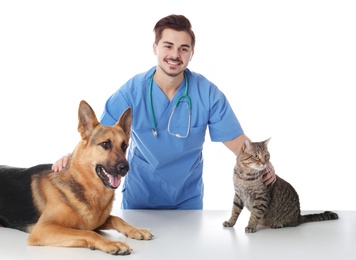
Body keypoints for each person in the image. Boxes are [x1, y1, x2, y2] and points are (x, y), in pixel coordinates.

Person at [52, 14, 276, 209]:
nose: (175, 54)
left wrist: (263, 164)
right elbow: (97, 137)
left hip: (187, 198)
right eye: (168, 46)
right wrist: (71, 158)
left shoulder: (208, 94)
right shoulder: (131, 92)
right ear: (155, 48)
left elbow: (237, 142)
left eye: (183, 48)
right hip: (141, 196)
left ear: (191, 54)